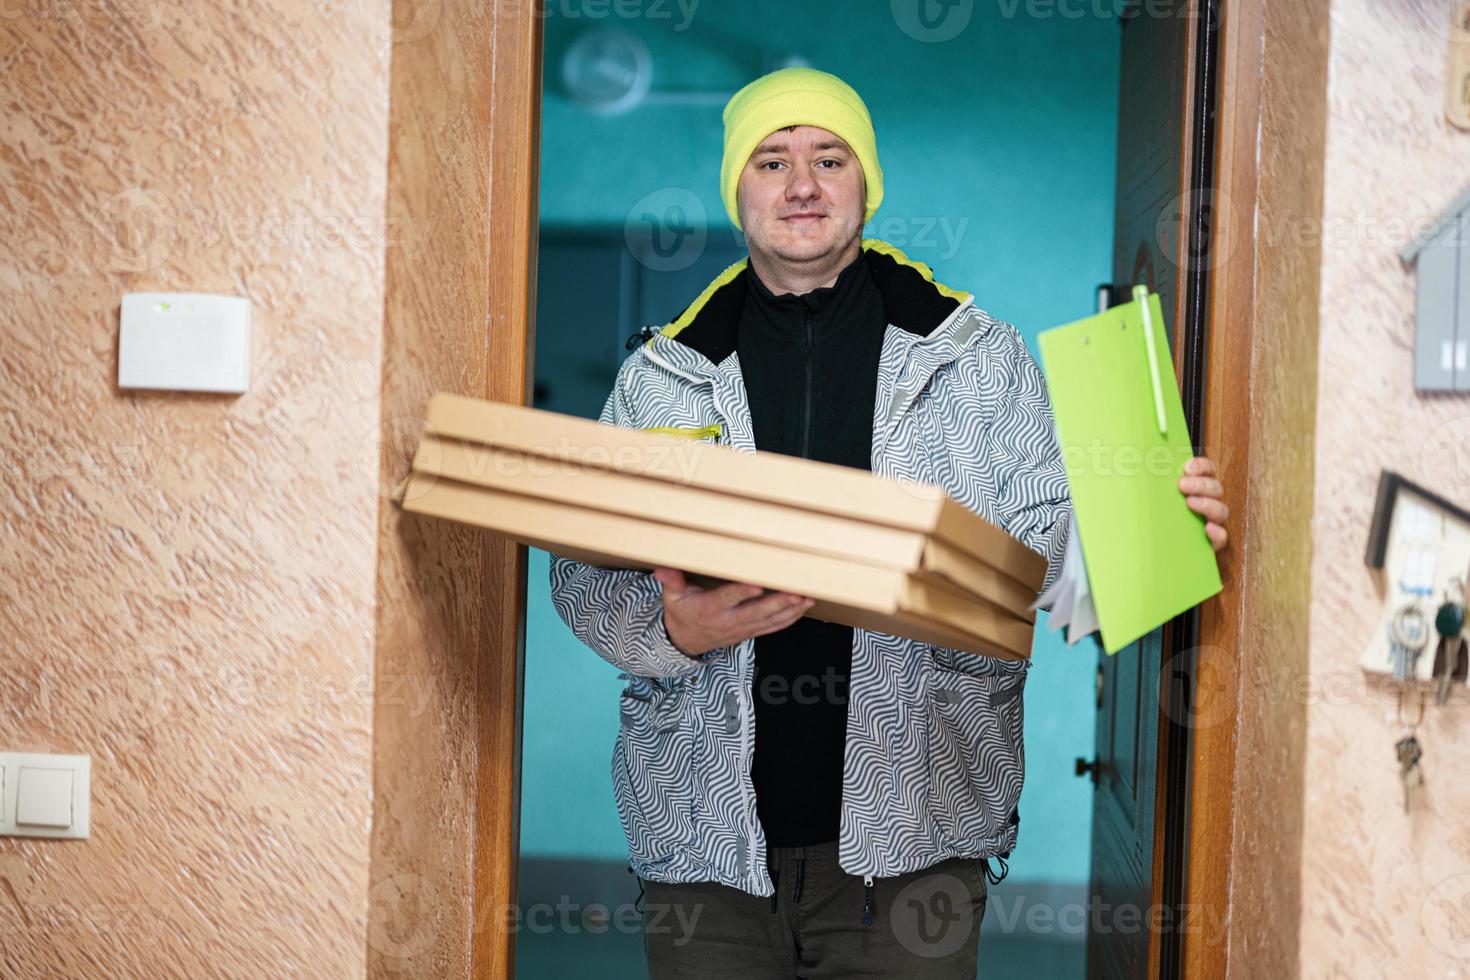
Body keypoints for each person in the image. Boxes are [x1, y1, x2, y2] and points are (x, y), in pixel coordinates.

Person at [549, 67, 1230, 979]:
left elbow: (1046, 552)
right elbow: (582, 573)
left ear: (865, 183)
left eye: (830, 158)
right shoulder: (664, 373)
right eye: (772, 160)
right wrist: (674, 628)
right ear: (737, 188)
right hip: (705, 843)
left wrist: (1163, 533)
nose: (802, 185)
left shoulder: (975, 357)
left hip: (916, 842)